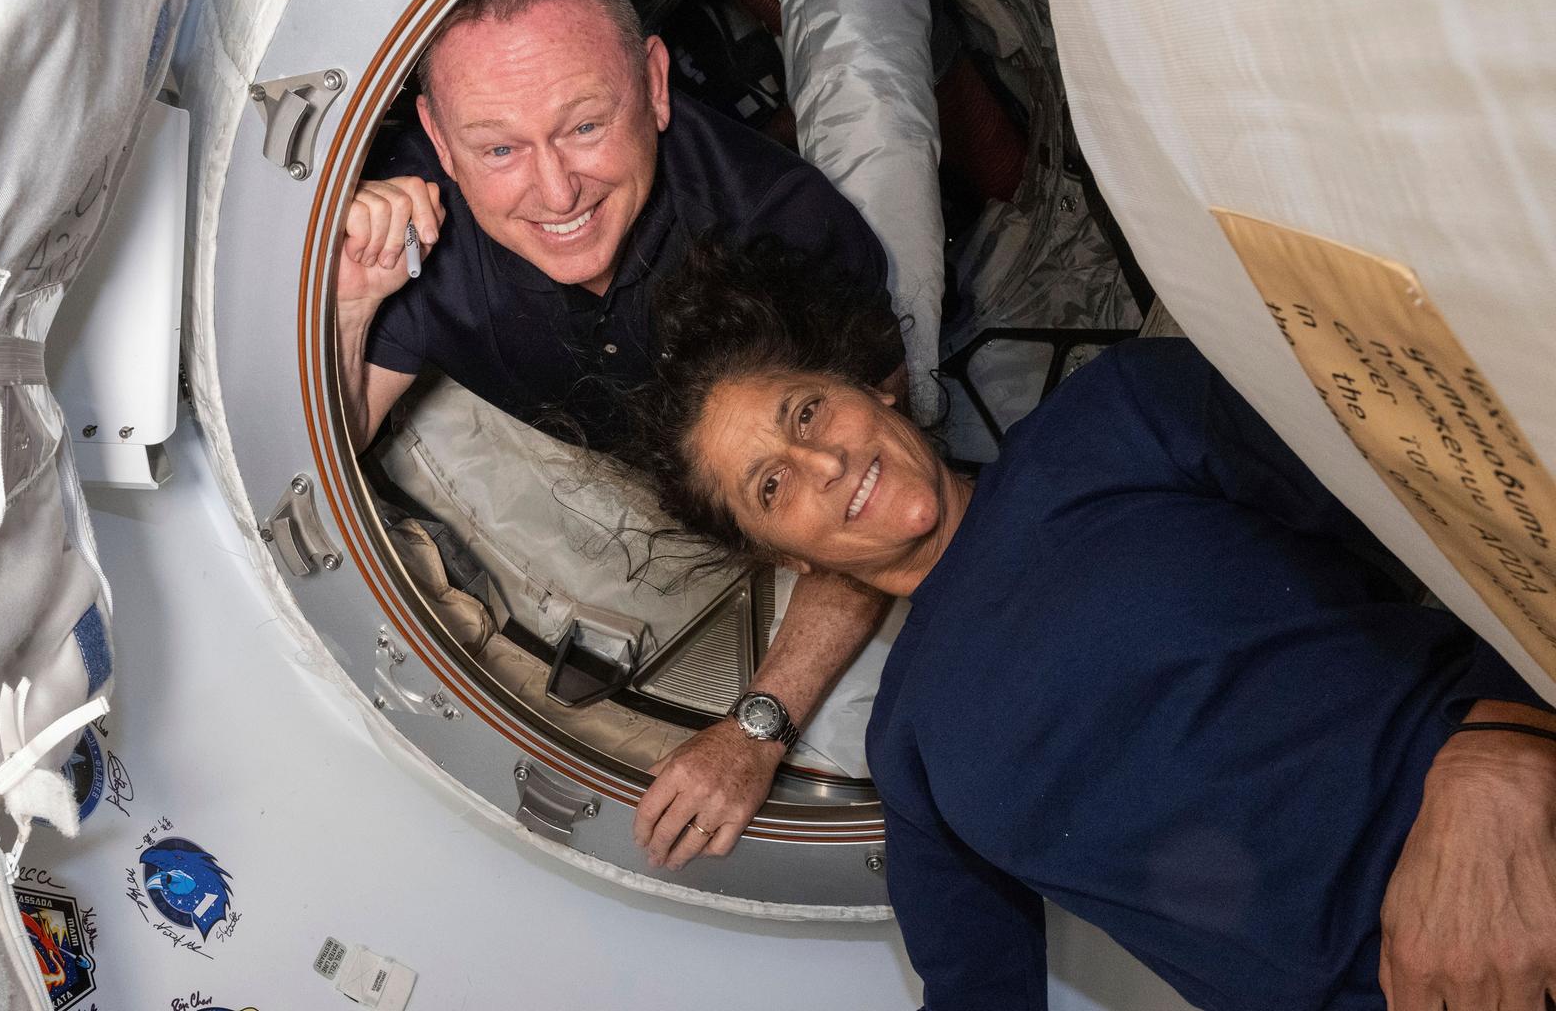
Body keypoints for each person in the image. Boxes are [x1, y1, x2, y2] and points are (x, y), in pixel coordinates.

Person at [614, 241, 1556, 1010]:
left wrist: (1503, 749)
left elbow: (1466, 503)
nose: (819, 461)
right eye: (770, 484)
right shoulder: (908, 747)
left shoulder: (1117, 419)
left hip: (1508, 822)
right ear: (788, 556)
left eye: (808, 410)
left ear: (875, 386)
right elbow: (977, 993)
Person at [335, 0, 907, 862]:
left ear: (653, 81)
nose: (554, 188)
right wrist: (354, 301)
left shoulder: (786, 232)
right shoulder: (416, 226)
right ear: (439, 138)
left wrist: (757, 727)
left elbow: (883, 495)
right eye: (498, 146)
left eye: (585, 126)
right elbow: (331, 440)